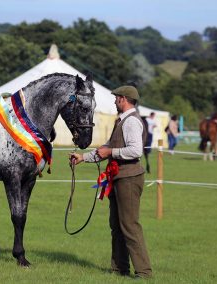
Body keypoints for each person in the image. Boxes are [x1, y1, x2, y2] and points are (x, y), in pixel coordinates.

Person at [69, 85, 152, 279]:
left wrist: (111, 153)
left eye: (116, 98)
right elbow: (106, 147)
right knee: (116, 225)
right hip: (119, 177)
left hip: (129, 178)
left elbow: (135, 150)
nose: (114, 101)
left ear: (123, 99)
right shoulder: (121, 121)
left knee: (129, 225)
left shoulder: (131, 122)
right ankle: (119, 269)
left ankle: (144, 272)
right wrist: (83, 158)